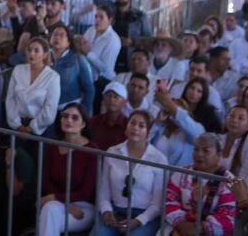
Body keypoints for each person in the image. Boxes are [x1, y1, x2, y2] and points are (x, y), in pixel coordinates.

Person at [95, 110, 167, 236]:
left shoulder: (159, 159)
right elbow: (103, 192)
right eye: (132, 123)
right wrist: (106, 211)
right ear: (126, 128)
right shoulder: (112, 152)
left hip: (145, 215)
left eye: (141, 125)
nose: (135, 128)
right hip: (116, 211)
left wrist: (138, 221)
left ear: (148, 133)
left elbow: (157, 204)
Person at [38, 102, 99, 235]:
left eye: (75, 117)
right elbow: (46, 181)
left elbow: (86, 192)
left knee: (49, 214)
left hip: (84, 206)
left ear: (83, 124)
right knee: (50, 211)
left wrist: (54, 197)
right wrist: (64, 203)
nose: (68, 120)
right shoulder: (53, 145)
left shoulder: (92, 151)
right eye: (65, 116)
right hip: (57, 203)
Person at [161, 133, 236, 236]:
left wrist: (200, 228)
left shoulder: (229, 180)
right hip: (180, 227)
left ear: (218, 155)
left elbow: (228, 216)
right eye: (196, 149)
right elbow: (169, 200)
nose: (199, 154)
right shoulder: (182, 172)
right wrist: (182, 223)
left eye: (205, 151)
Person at [5, 37, 60, 136]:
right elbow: (10, 99)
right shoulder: (18, 69)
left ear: (45, 55)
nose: (31, 53)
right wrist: (18, 125)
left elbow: (50, 109)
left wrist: (31, 128)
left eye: (36, 50)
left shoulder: (53, 77)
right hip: (17, 124)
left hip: (41, 128)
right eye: (29, 50)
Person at [77, 4, 121, 112]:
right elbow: (81, 48)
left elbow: (105, 68)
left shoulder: (113, 40)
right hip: (87, 76)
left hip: (102, 81)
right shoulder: (91, 30)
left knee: (92, 111)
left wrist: (88, 53)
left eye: (101, 17)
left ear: (110, 20)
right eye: (96, 16)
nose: (97, 20)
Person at [151, 83, 206, 167]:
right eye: (168, 109)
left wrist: (169, 105)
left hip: (176, 177)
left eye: (174, 110)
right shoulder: (161, 127)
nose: (171, 112)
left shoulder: (192, 131)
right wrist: (157, 123)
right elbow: (145, 144)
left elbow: (198, 134)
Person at [49, 23, 94, 115]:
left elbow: (89, 89)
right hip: (47, 111)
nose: (57, 38)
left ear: (68, 42)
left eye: (61, 35)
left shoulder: (77, 59)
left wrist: (85, 113)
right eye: (55, 34)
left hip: (69, 111)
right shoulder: (43, 57)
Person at [220, 105, 248, 179]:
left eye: (240, 118)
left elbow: (244, 179)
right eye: (231, 116)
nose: (234, 120)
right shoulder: (220, 138)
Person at [89, 82, 129, 149]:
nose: (111, 100)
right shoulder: (93, 122)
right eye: (108, 96)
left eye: (116, 97)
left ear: (125, 101)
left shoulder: (128, 125)